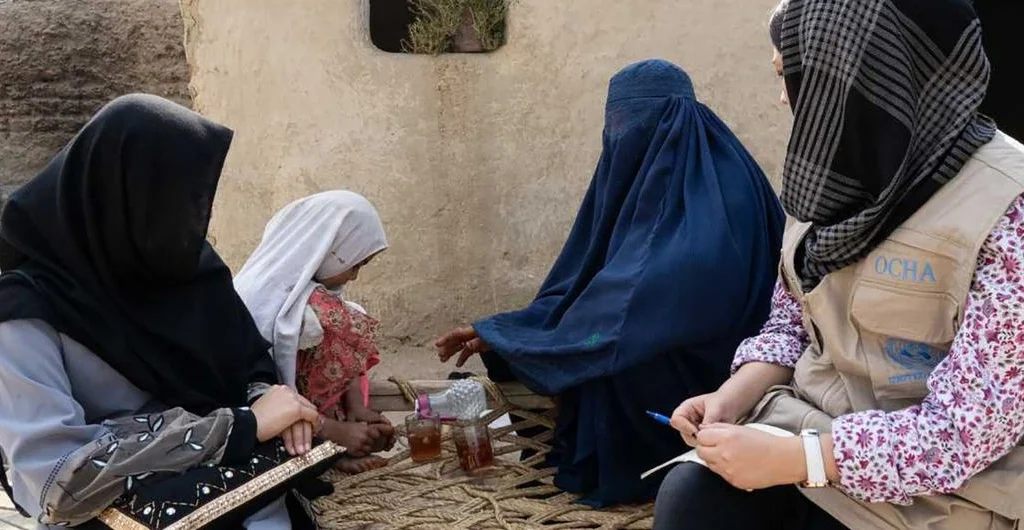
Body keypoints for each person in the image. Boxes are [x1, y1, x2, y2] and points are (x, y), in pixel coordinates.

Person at [654, 0, 1024, 528]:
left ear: (858, 78)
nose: (783, 97)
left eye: (795, 75)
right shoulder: (828, 178)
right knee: (693, 499)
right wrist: (731, 398)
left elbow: (963, 434)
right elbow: (793, 324)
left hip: (943, 498)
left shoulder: (1007, 210)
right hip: (804, 437)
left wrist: (800, 460)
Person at [436, 59, 786, 507]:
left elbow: (649, 301)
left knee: (613, 363)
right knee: (546, 346)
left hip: (724, 369)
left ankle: (643, 474)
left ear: (674, 117)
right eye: (615, 122)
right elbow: (591, 274)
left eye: (633, 122)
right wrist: (512, 330)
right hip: (650, 329)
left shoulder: (723, 189)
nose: (622, 135)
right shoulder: (650, 174)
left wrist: (539, 337)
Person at [0, 94, 324, 528]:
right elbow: (59, 480)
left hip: (243, 497)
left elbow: (244, 359)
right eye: (170, 198)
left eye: (197, 200)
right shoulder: (25, 314)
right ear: (115, 198)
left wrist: (265, 396)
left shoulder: (187, 269)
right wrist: (238, 428)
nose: (190, 219)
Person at [235, 191, 396, 474]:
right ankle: (325, 446)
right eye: (355, 264)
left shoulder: (309, 294)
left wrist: (356, 407)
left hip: (300, 409)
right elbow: (254, 391)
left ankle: (334, 443)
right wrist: (333, 431)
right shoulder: (266, 300)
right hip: (262, 413)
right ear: (328, 248)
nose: (354, 276)